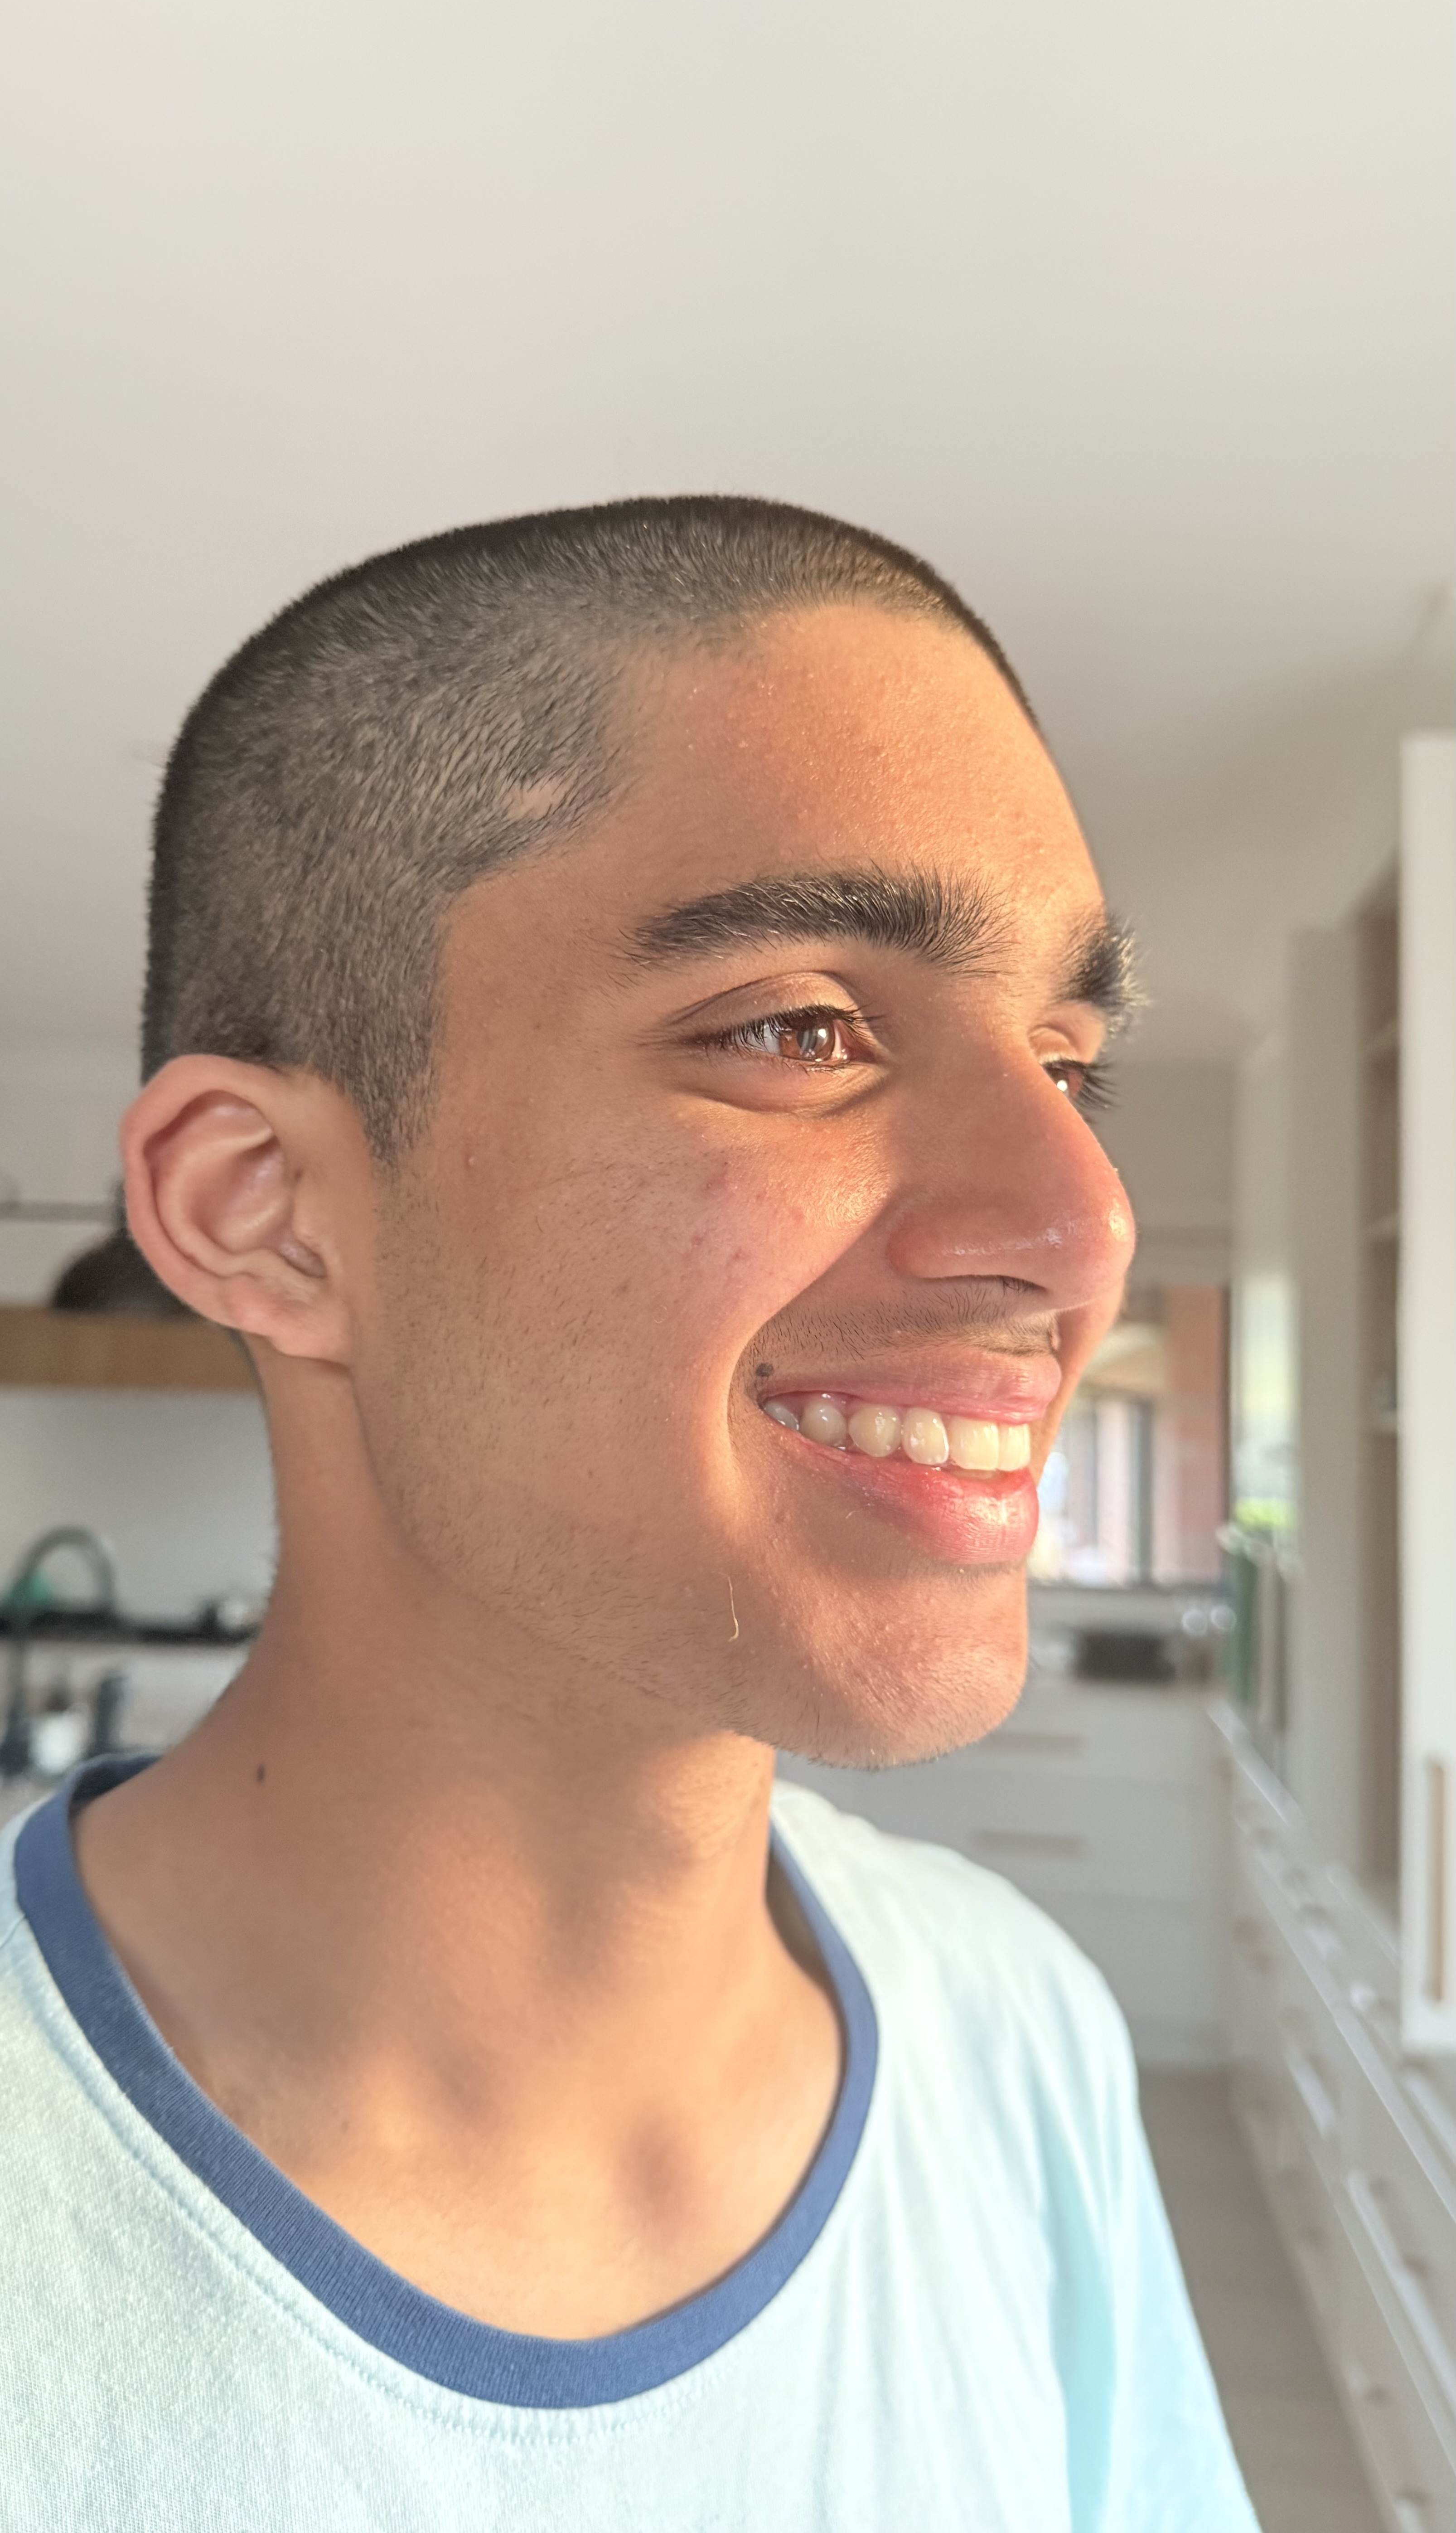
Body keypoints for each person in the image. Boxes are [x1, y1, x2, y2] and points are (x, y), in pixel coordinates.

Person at [0, 499, 1257, 2529]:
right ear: (268, 1213)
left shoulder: (1010, 2031)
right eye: (800, 1030)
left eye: (1064, 1060)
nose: (1082, 1226)